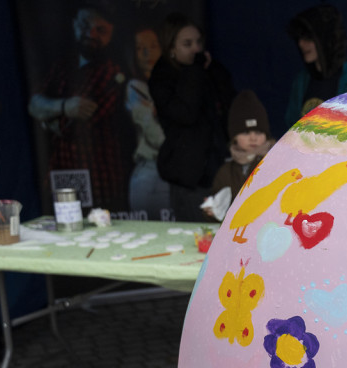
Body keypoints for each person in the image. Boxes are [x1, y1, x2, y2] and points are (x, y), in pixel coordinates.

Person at [27, 2, 131, 212]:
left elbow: (71, 126)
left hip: (101, 181)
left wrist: (48, 117)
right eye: (85, 25)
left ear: (111, 34)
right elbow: (33, 105)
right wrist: (65, 106)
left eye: (100, 30)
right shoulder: (61, 66)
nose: (91, 34)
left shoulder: (112, 73)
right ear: (73, 24)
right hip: (62, 175)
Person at [149, 13, 234, 222]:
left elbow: (231, 106)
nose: (196, 49)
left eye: (198, 42)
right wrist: (194, 72)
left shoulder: (210, 70)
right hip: (189, 177)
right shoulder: (162, 78)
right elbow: (185, 114)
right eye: (187, 44)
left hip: (220, 169)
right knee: (195, 237)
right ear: (171, 49)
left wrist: (212, 72)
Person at [285, 5, 347, 128]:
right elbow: (291, 128)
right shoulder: (302, 80)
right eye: (299, 38)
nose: (301, 44)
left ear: (324, 40)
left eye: (308, 38)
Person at [207, 90, 274, 220]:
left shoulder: (277, 165)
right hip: (235, 235)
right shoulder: (226, 172)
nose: (253, 138)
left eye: (259, 132)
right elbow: (219, 209)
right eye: (246, 133)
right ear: (234, 138)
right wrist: (211, 211)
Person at [125, 26, 170, 221]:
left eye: (153, 46)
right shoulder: (135, 87)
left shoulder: (172, 86)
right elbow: (154, 134)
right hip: (149, 169)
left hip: (171, 171)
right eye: (139, 48)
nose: (146, 53)